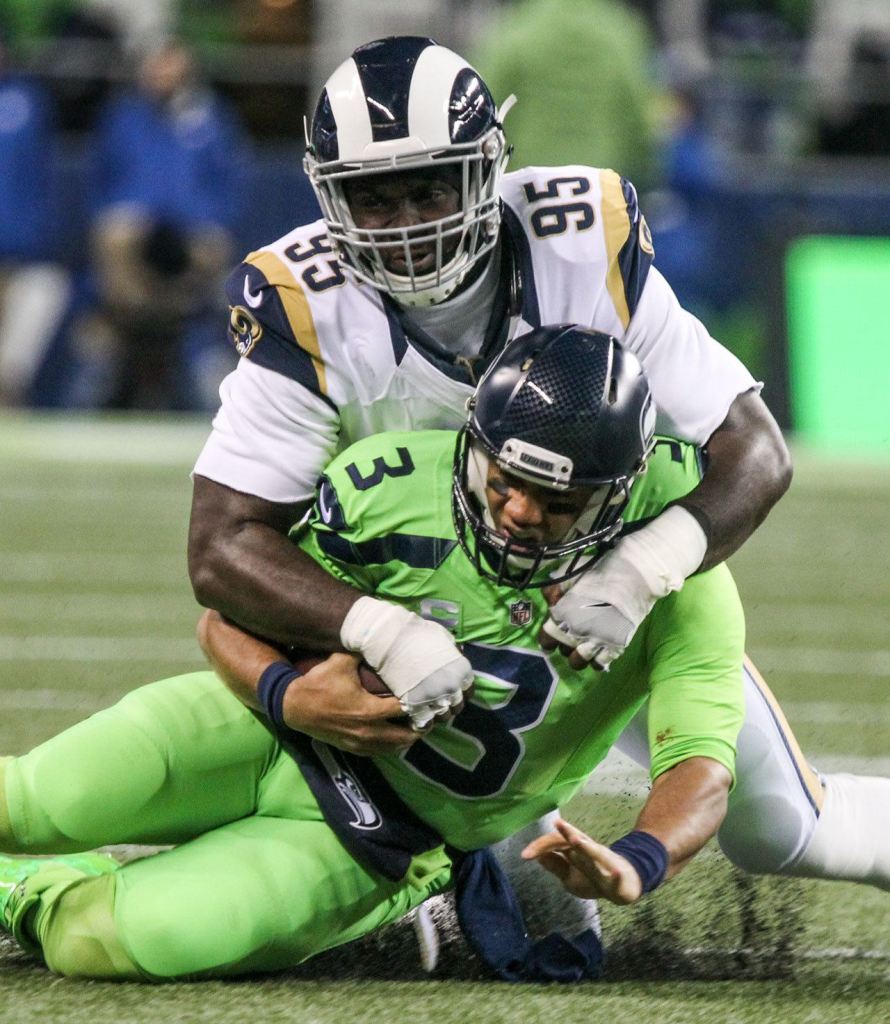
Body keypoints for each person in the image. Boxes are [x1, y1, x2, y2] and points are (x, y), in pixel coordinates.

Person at [185, 35, 883, 921]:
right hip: (414, 623)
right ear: (329, 196)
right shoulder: (306, 302)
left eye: (427, 188)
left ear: (486, 172)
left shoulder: (581, 247)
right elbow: (222, 546)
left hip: (582, 609)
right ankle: (442, 872)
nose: (403, 223)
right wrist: (375, 630)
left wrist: (636, 572)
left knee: (782, 825)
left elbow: (753, 450)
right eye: (372, 196)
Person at [0, 327, 746, 981]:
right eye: (505, 482)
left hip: (379, 835)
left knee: (115, 939)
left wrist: (639, 863)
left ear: (619, 497)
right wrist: (285, 696)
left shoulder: (681, 585)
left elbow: (702, 767)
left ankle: (26, 889)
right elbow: (223, 620)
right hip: (263, 732)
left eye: (558, 504)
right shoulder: (394, 485)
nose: (518, 513)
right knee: (30, 801)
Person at [87, 36, 249, 409]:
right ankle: (150, 321)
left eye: (170, 62)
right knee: (115, 237)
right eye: (156, 63)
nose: (162, 71)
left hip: (194, 231)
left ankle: (171, 323)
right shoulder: (123, 116)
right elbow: (101, 183)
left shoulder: (212, 117)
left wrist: (203, 219)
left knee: (213, 251)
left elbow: (229, 185)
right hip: (135, 229)